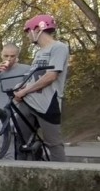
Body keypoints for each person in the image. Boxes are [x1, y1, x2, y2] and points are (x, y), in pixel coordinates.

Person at [13, 14, 70, 162]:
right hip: (30, 100)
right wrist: (20, 87)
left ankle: (60, 177)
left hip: (48, 103)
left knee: (53, 143)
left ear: (38, 29)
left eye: (28, 31)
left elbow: (51, 76)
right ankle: (24, 170)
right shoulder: (38, 53)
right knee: (20, 138)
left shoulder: (59, 48)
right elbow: (32, 76)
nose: (27, 36)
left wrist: (25, 91)